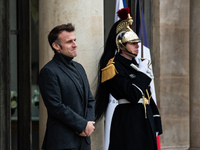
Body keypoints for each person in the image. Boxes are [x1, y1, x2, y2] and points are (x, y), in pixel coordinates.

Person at [95, 8, 162, 150]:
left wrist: (155, 120)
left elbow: (147, 96)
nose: (138, 46)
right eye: (133, 43)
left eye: (138, 43)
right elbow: (132, 95)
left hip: (144, 119)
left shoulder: (136, 65)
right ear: (121, 45)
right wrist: (143, 74)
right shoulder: (112, 67)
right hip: (128, 119)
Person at [39, 23, 96, 150]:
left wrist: (88, 126)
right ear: (56, 46)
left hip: (84, 142)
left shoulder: (79, 67)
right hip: (62, 143)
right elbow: (56, 106)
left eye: (74, 40)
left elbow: (90, 100)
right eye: (69, 42)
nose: (75, 44)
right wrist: (81, 125)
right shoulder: (48, 71)